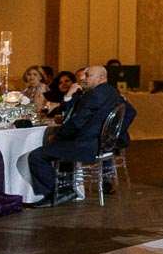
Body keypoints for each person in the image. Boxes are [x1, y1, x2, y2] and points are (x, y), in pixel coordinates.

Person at [25, 66, 126, 207]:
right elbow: (131, 112)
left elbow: (77, 123)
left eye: (88, 75)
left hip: (87, 145)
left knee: (37, 156)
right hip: (100, 144)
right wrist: (112, 136)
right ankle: (67, 189)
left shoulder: (92, 96)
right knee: (60, 148)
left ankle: (53, 194)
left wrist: (59, 136)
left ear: (100, 78)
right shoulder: (112, 92)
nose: (83, 78)